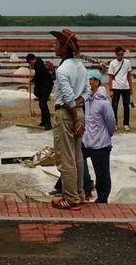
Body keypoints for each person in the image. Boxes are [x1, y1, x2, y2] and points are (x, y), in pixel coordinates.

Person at [50, 28, 91, 210]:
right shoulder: (80, 67)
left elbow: (67, 98)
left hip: (67, 115)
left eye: (57, 45)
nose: (54, 47)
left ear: (64, 48)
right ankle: (79, 193)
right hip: (79, 112)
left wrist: (75, 119)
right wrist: (78, 105)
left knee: (65, 158)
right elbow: (88, 91)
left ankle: (71, 197)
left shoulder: (62, 70)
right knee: (77, 157)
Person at [80, 70, 116, 202]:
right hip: (87, 140)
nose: (87, 82)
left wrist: (107, 135)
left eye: (89, 80)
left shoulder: (103, 103)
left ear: (96, 82)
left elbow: (111, 122)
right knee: (77, 160)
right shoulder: (87, 100)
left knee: (102, 173)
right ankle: (86, 187)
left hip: (101, 143)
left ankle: (102, 198)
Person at [107, 47, 134, 131]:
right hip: (116, 87)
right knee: (114, 106)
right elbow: (110, 77)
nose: (120, 56)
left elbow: (129, 75)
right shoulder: (112, 63)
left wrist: (131, 88)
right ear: (115, 54)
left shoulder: (127, 62)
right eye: (119, 55)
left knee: (126, 106)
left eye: (122, 54)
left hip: (125, 87)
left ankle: (126, 123)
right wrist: (110, 89)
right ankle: (115, 123)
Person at [26, 53, 54, 130]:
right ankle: (43, 121)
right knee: (41, 104)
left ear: (33, 59)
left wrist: (32, 80)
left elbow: (38, 76)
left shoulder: (39, 66)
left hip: (47, 86)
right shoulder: (38, 63)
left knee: (43, 104)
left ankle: (48, 123)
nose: (30, 64)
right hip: (43, 85)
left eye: (30, 62)